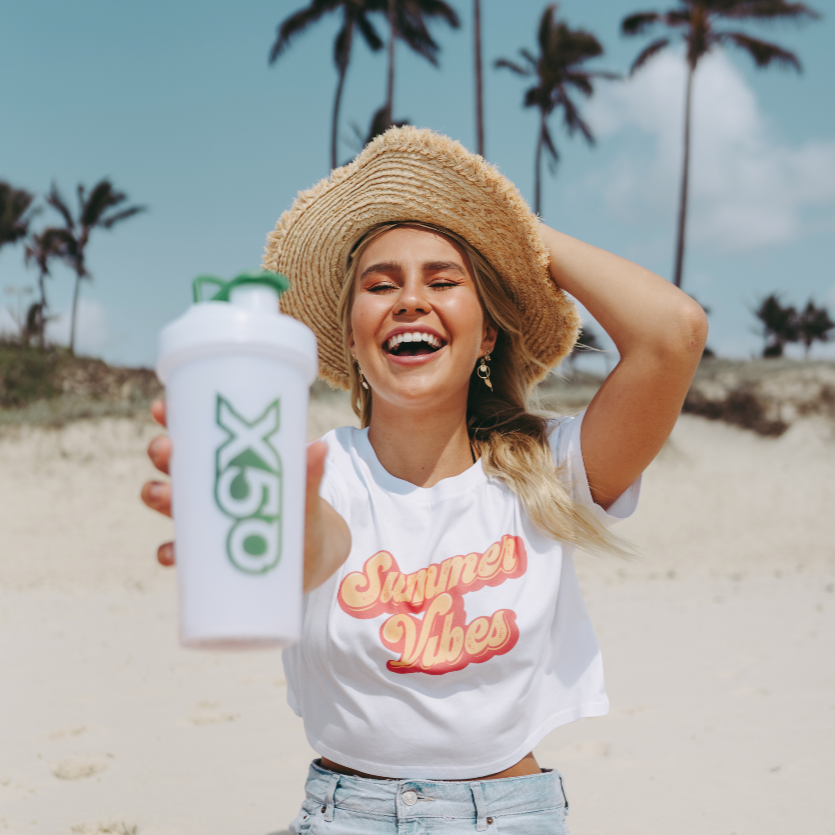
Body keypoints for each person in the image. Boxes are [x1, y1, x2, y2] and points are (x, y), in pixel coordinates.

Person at [142, 127, 707, 834]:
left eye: (443, 281)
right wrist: (281, 539)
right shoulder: (315, 474)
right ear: (352, 337)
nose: (410, 299)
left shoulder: (548, 467)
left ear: (487, 333)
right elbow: (317, 542)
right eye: (380, 286)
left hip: (508, 818)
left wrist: (502, 223)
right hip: (346, 817)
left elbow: (673, 332)